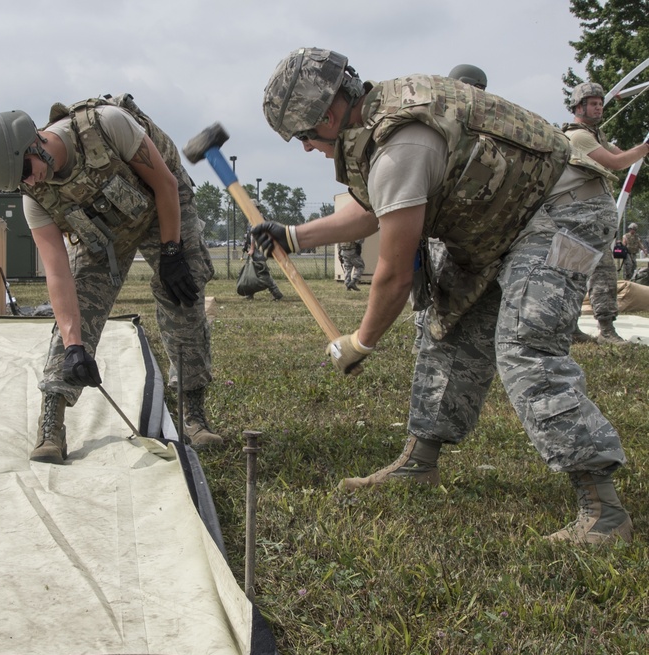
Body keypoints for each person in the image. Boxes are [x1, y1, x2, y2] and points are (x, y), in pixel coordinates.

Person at [252, 47, 632, 544]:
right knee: (445, 329)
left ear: (327, 113)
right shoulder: (382, 123)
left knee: (525, 347)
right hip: (503, 224)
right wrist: (294, 235)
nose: (305, 148)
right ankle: (419, 463)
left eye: (304, 135)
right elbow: (380, 209)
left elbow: (392, 275)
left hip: (569, 212)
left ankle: (604, 510)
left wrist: (360, 343)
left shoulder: (398, 144)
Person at [0, 94, 221, 463]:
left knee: (183, 289)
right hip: (104, 231)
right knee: (77, 314)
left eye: (26, 169)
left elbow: (166, 186)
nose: (29, 182)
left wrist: (171, 253)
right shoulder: (34, 197)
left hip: (161, 202)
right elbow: (57, 275)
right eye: (19, 183)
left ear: (33, 140)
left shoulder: (107, 125)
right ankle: (51, 425)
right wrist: (75, 347)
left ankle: (193, 414)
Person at [556, 82, 649, 344]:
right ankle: (579, 328)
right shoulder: (579, 137)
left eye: (600, 103)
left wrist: (639, 150)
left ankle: (598, 328)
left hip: (589, 223)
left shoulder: (595, 135)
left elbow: (622, 155)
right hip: (577, 220)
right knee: (575, 275)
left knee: (597, 274)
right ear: (578, 107)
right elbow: (617, 162)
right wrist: (644, 148)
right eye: (593, 104)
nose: (599, 108)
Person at [413, 65, 489, 349]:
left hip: (466, 223)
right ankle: (425, 338)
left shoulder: (481, 125)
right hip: (439, 223)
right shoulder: (442, 120)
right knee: (432, 289)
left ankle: (435, 337)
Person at [241, 227, 283, 300]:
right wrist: (246, 246)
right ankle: (250, 294)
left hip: (259, 252)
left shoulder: (256, 219)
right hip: (259, 251)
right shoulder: (254, 220)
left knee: (262, 273)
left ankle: (276, 292)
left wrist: (251, 249)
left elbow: (253, 234)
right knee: (253, 273)